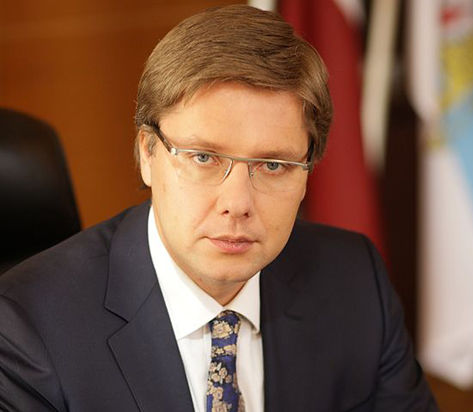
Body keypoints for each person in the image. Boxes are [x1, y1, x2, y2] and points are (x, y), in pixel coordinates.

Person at [0, 5, 437, 412]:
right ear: (148, 154)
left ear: (308, 172)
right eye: (204, 157)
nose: (237, 204)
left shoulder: (353, 281)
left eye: (273, 165)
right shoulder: (27, 328)